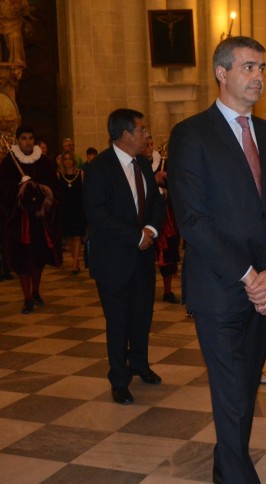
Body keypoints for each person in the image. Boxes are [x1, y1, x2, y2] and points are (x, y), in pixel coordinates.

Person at [167, 36, 266, 484]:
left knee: (244, 389)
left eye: (262, 68)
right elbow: (193, 220)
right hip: (220, 288)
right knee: (230, 395)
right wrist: (250, 276)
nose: (259, 77)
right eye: (248, 67)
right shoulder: (191, 133)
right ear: (221, 73)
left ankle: (226, 469)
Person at [83, 109, 165, 405]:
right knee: (118, 321)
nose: (146, 135)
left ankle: (140, 363)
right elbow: (97, 215)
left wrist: (151, 231)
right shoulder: (99, 168)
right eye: (142, 129)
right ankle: (119, 379)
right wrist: (135, 235)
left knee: (142, 314)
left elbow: (156, 202)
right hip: (113, 259)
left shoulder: (143, 164)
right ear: (127, 134)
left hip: (143, 256)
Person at [0, 126, 61, 313]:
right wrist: (20, 188)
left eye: (30, 138)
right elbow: (2, 188)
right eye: (24, 138)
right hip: (19, 221)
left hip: (39, 220)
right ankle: (26, 298)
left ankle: (36, 292)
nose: (27, 142)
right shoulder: (9, 163)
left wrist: (39, 190)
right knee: (22, 260)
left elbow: (53, 186)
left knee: (38, 259)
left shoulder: (43, 162)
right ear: (17, 140)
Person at [143, 135, 181, 304]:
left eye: (152, 144)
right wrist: (154, 181)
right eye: (147, 144)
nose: (149, 147)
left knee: (168, 253)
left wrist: (167, 179)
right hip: (144, 216)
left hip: (166, 218)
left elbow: (176, 187)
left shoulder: (164, 163)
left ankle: (167, 290)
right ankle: (144, 289)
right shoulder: (136, 164)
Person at [57, 150, 86, 275]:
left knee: (77, 235)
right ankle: (76, 261)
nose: (68, 161)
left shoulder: (81, 174)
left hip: (78, 209)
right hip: (65, 209)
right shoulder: (59, 175)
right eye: (65, 159)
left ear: (73, 160)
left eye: (70, 159)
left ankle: (75, 263)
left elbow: (85, 192)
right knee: (69, 236)